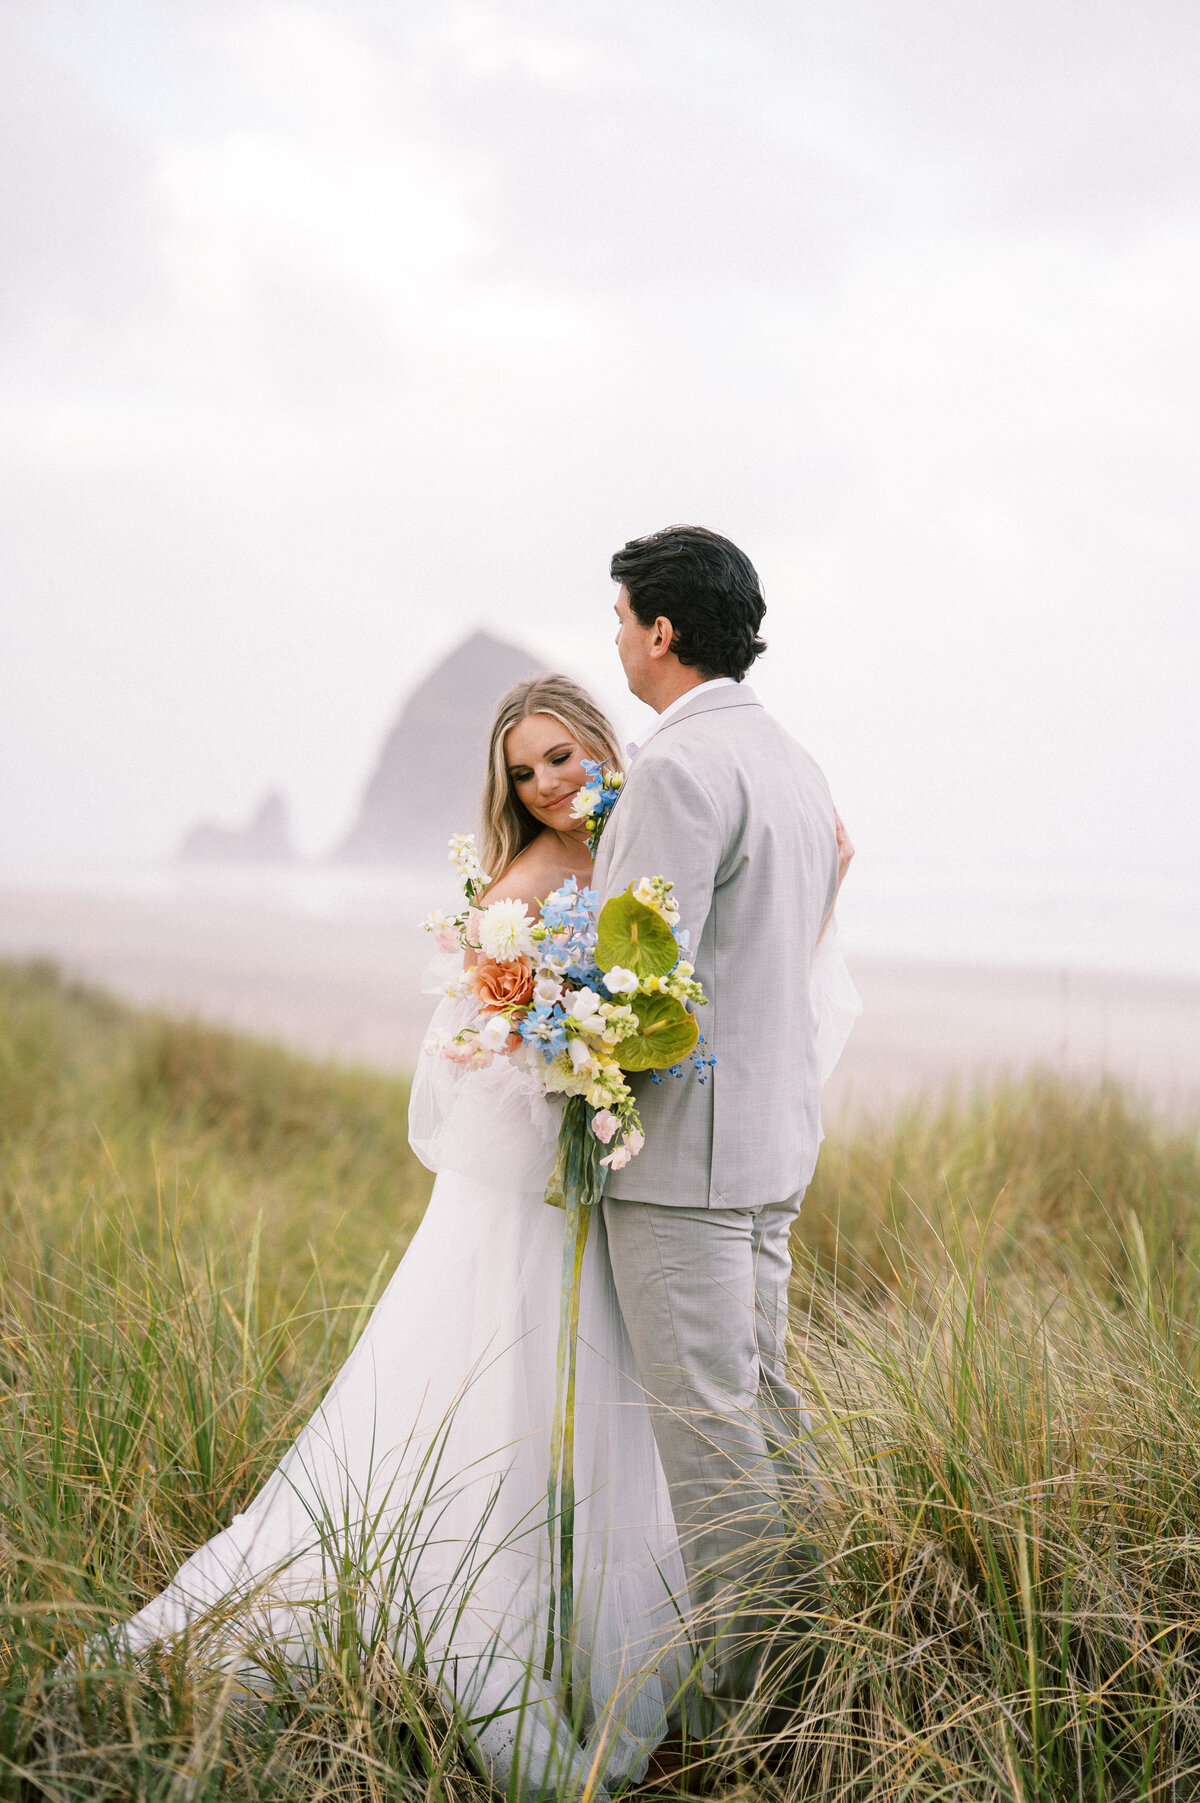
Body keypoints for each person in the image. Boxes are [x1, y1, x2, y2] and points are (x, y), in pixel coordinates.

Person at [70, 663, 856, 1798]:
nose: (544, 782)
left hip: (642, 1184)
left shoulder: (654, 836)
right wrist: (572, 1069)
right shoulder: (525, 883)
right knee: (521, 1400)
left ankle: (673, 1658)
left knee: (642, 1411)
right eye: (523, 768)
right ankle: (523, 1647)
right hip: (543, 1199)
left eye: (561, 756)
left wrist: (823, 877)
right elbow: (475, 1057)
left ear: (601, 743)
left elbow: (735, 969)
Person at [595, 524, 855, 1730]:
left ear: (662, 628)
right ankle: (827, 1657)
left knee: (708, 1438)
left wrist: (554, 1063)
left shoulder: (676, 768)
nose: (615, 642)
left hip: (686, 1166)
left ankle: (758, 1708)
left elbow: (644, 987)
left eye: (621, 620)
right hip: (769, 1145)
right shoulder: (793, 761)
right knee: (765, 1409)